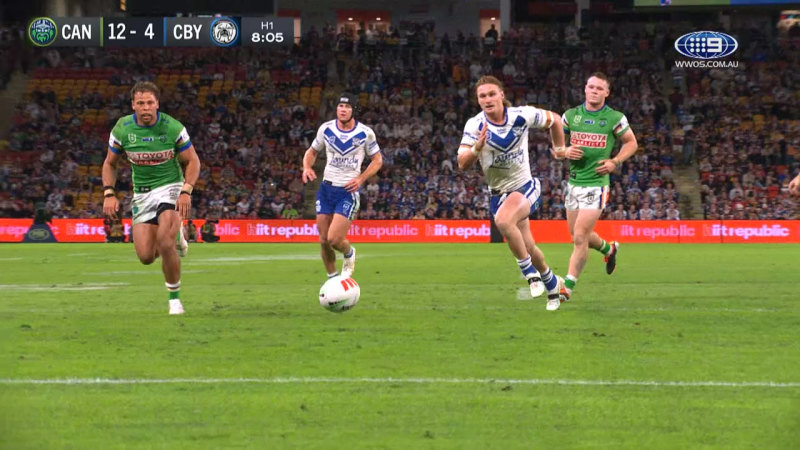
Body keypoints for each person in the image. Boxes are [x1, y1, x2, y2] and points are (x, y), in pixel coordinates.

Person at [458, 75, 566, 311]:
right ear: (478, 100)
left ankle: (530, 275)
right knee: (529, 247)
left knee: (504, 221)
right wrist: (476, 148)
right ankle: (552, 283)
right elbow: (462, 163)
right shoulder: (474, 125)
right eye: (482, 96)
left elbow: (555, 120)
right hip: (499, 195)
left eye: (491, 94)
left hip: (526, 187)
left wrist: (559, 149)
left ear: (501, 95)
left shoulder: (522, 115)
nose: (487, 99)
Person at [102, 81, 201, 315]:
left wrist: (186, 190)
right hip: (142, 193)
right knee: (146, 257)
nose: (145, 107)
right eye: (140, 103)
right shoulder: (122, 129)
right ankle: (177, 233)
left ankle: (174, 300)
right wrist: (109, 192)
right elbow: (110, 163)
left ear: (157, 104)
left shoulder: (172, 127)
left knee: (165, 243)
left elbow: (192, 161)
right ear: (133, 105)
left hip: (171, 187)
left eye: (149, 103)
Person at [554, 72, 638, 304]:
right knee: (577, 235)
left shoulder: (614, 118)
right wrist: (564, 151)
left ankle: (567, 287)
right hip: (574, 183)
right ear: (585, 89)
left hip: (597, 184)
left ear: (606, 93)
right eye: (591, 87)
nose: (594, 91)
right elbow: (556, 148)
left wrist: (615, 162)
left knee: (580, 236)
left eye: (599, 88)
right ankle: (609, 250)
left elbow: (632, 143)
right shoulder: (571, 116)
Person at [302, 92, 383, 279]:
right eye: (340, 106)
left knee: (334, 239)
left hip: (347, 191)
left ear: (354, 110)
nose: (343, 110)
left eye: (347, 107)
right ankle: (333, 278)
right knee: (323, 240)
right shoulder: (326, 129)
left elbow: (377, 160)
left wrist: (361, 179)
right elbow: (312, 151)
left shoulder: (365, 133)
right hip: (326, 189)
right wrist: (306, 167)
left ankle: (349, 252)